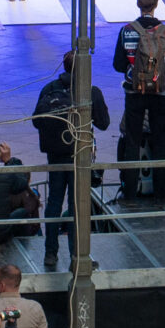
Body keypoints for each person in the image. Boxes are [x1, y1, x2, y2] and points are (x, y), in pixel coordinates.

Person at [30, 51, 108, 271]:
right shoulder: (90, 91)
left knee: (54, 203)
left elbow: (36, 121)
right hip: (79, 155)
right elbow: (104, 123)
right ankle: (78, 255)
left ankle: (50, 253)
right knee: (77, 206)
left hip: (55, 155)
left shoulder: (49, 89)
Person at [111, 0, 165, 200]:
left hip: (134, 93)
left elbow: (117, 64)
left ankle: (130, 191)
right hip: (160, 94)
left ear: (138, 4)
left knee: (132, 141)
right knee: (160, 142)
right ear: (156, 4)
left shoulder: (127, 31)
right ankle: (161, 193)